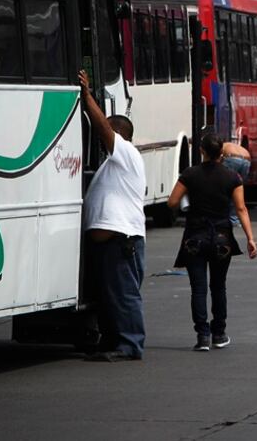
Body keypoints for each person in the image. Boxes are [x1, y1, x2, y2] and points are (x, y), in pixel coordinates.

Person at [167, 130, 257, 352]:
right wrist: (250, 238)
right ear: (222, 153)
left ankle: (202, 336)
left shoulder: (190, 174)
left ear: (202, 151)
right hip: (221, 238)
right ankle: (219, 333)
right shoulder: (232, 177)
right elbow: (241, 209)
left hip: (195, 237)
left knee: (198, 288)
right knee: (218, 286)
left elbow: (172, 202)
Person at [79, 69, 147, 362]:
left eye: (108, 131)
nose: (101, 135)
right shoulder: (112, 164)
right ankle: (111, 341)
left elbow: (104, 130)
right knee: (108, 295)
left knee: (123, 294)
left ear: (118, 135)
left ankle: (130, 345)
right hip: (109, 244)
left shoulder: (127, 153)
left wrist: (87, 97)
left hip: (122, 242)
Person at [221, 140, 252, 225]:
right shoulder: (234, 146)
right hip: (247, 160)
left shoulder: (221, 146)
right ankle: (235, 218)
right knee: (237, 190)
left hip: (232, 158)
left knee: (228, 189)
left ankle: (229, 218)